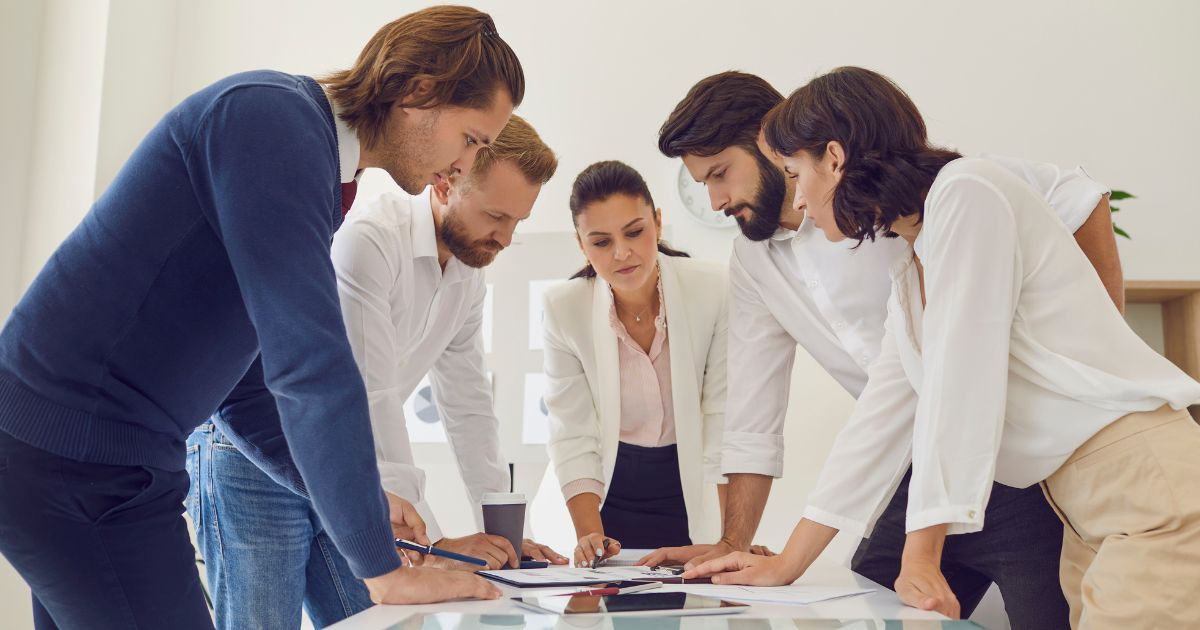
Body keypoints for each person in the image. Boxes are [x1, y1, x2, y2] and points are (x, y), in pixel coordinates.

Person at [0, 6, 520, 628]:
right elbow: (311, 365)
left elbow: (247, 392)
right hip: (80, 463)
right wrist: (380, 571)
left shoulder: (307, 164)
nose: (464, 167)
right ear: (419, 91)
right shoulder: (271, 120)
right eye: (471, 140)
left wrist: (359, 507)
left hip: (90, 459)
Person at [685, 66, 1200, 628]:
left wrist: (922, 553)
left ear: (834, 159)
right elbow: (884, 414)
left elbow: (962, 385)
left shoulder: (966, 192)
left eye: (795, 173)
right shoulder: (912, 264)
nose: (801, 203)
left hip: (1142, 487)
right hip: (1080, 506)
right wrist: (787, 561)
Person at [188, 114, 565, 629]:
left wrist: (500, 526)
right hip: (254, 452)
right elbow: (373, 393)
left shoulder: (467, 275)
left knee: (379, 621)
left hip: (339, 462)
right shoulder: (369, 240)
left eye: (517, 222)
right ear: (446, 179)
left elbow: (469, 405)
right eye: (496, 215)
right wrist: (424, 543)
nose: (504, 238)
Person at [544, 161, 770, 567]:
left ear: (658, 223)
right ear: (581, 245)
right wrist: (588, 535)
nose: (621, 253)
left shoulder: (713, 289)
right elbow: (572, 433)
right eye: (600, 242)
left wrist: (729, 541)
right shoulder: (563, 309)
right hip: (601, 491)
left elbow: (722, 419)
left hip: (687, 488)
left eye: (634, 232)